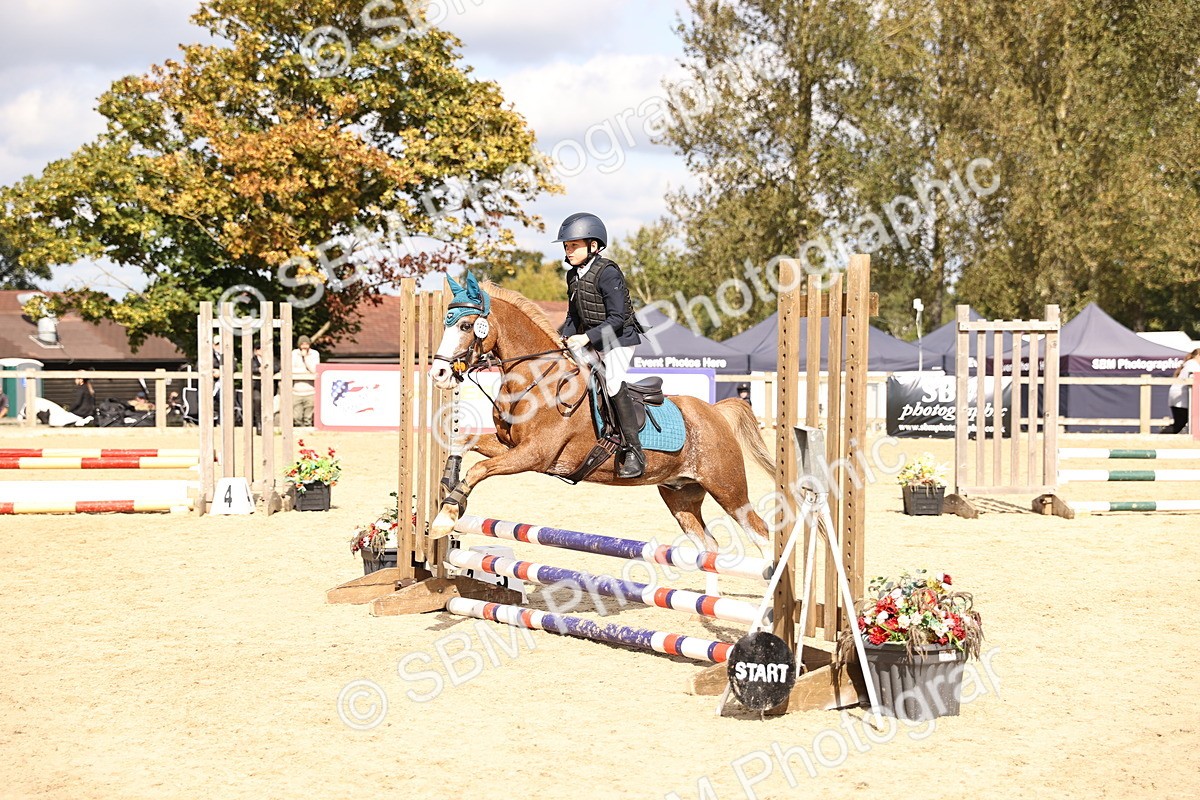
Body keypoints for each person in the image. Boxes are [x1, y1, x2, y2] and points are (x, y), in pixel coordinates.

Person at [555, 212, 646, 478]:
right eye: (566, 246)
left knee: (614, 381)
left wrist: (585, 338)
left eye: (573, 245)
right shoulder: (573, 276)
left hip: (619, 339)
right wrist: (561, 338)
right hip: (592, 340)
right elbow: (573, 316)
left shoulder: (608, 273)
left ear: (593, 246)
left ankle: (633, 450)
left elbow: (617, 318)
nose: (568, 250)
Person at [1166, 348, 1200, 434]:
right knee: (1179, 423)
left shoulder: (1190, 364)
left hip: (1179, 396)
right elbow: (1195, 376)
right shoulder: (1193, 364)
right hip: (1180, 397)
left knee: (1180, 422)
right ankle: (1159, 438)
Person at [291, 335, 320, 428]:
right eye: (302, 344)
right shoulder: (294, 353)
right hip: (296, 391)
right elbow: (291, 369)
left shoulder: (314, 354)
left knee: (308, 418)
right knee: (297, 417)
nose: (304, 346)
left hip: (310, 391)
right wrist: (304, 371)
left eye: (306, 344)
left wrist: (305, 358)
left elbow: (314, 369)